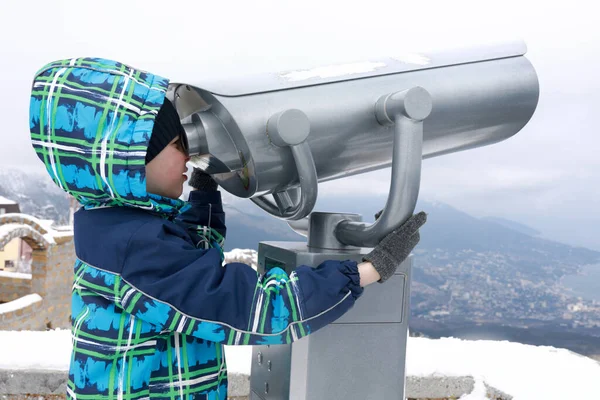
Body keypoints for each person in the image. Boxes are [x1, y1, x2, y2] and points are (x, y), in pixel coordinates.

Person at [29, 58, 426, 400]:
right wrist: (369, 269)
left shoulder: (114, 226)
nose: (188, 154)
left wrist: (204, 191)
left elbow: (184, 263)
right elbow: (255, 309)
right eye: (178, 144)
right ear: (131, 159)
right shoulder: (135, 247)